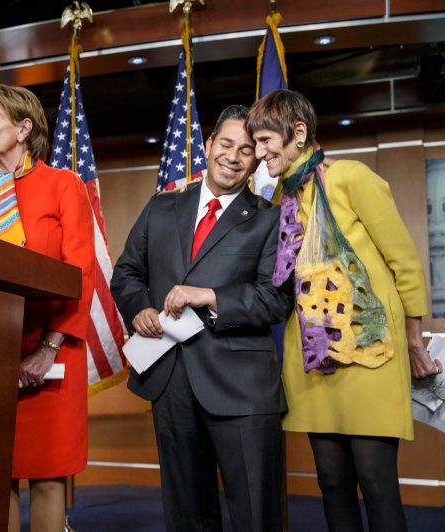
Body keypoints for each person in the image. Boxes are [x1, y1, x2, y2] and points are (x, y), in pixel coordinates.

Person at [246, 89, 433, 532]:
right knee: (331, 481)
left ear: (298, 133)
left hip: (371, 355)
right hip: (314, 361)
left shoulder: (350, 177)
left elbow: (403, 261)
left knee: (376, 480)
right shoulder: (281, 201)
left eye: (266, 140)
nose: (259, 152)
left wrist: (414, 341)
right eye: (255, 143)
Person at [111, 105, 293, 532]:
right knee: (188, 516)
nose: (233, 156)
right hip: (170, 381)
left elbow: (276, 299)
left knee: (256, 514)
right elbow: (127, 272)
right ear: (208, 145)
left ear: (257, 160)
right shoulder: (161, 207)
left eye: (247, 150)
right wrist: (139, 309)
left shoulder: (272, 218)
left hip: (242, 390)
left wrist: (211, 296)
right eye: (226, 144)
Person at [0, 84, 95, 532]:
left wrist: (47, 348)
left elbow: (81, 273)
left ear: (24, 127)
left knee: (48, 476)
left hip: (52, 352)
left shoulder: (63, 185)